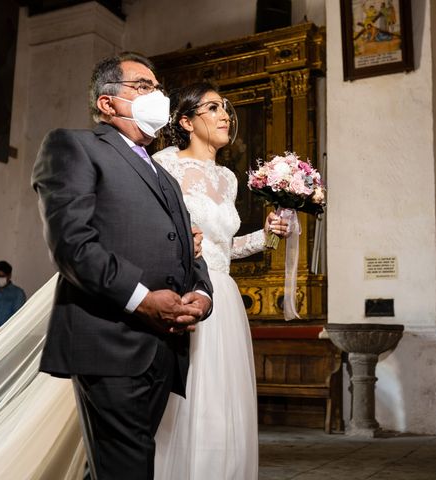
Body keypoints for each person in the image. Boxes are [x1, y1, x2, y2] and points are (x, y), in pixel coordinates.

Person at [31, 53, 213, 480]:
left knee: (122, 465)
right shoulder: (73, 146)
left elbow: (188, 244)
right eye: (144, 87)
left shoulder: (165, 175)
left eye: (158, 87)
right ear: (108, 103)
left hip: (163, 346)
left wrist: (201, 297)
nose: (158, 96)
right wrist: (142, 298)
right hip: (110, 337)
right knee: (127, 467)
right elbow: (72, 244)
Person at [152, 82, 289, 480]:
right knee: (189, 395)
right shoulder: (166, 164)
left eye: (225, 107)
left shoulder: (228, 177)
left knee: (222, 400)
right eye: (212, 108)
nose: (225, 114)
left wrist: (266, 235)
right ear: (186, 121)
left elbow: (222, 247)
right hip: (185, 290)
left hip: (224, 296)